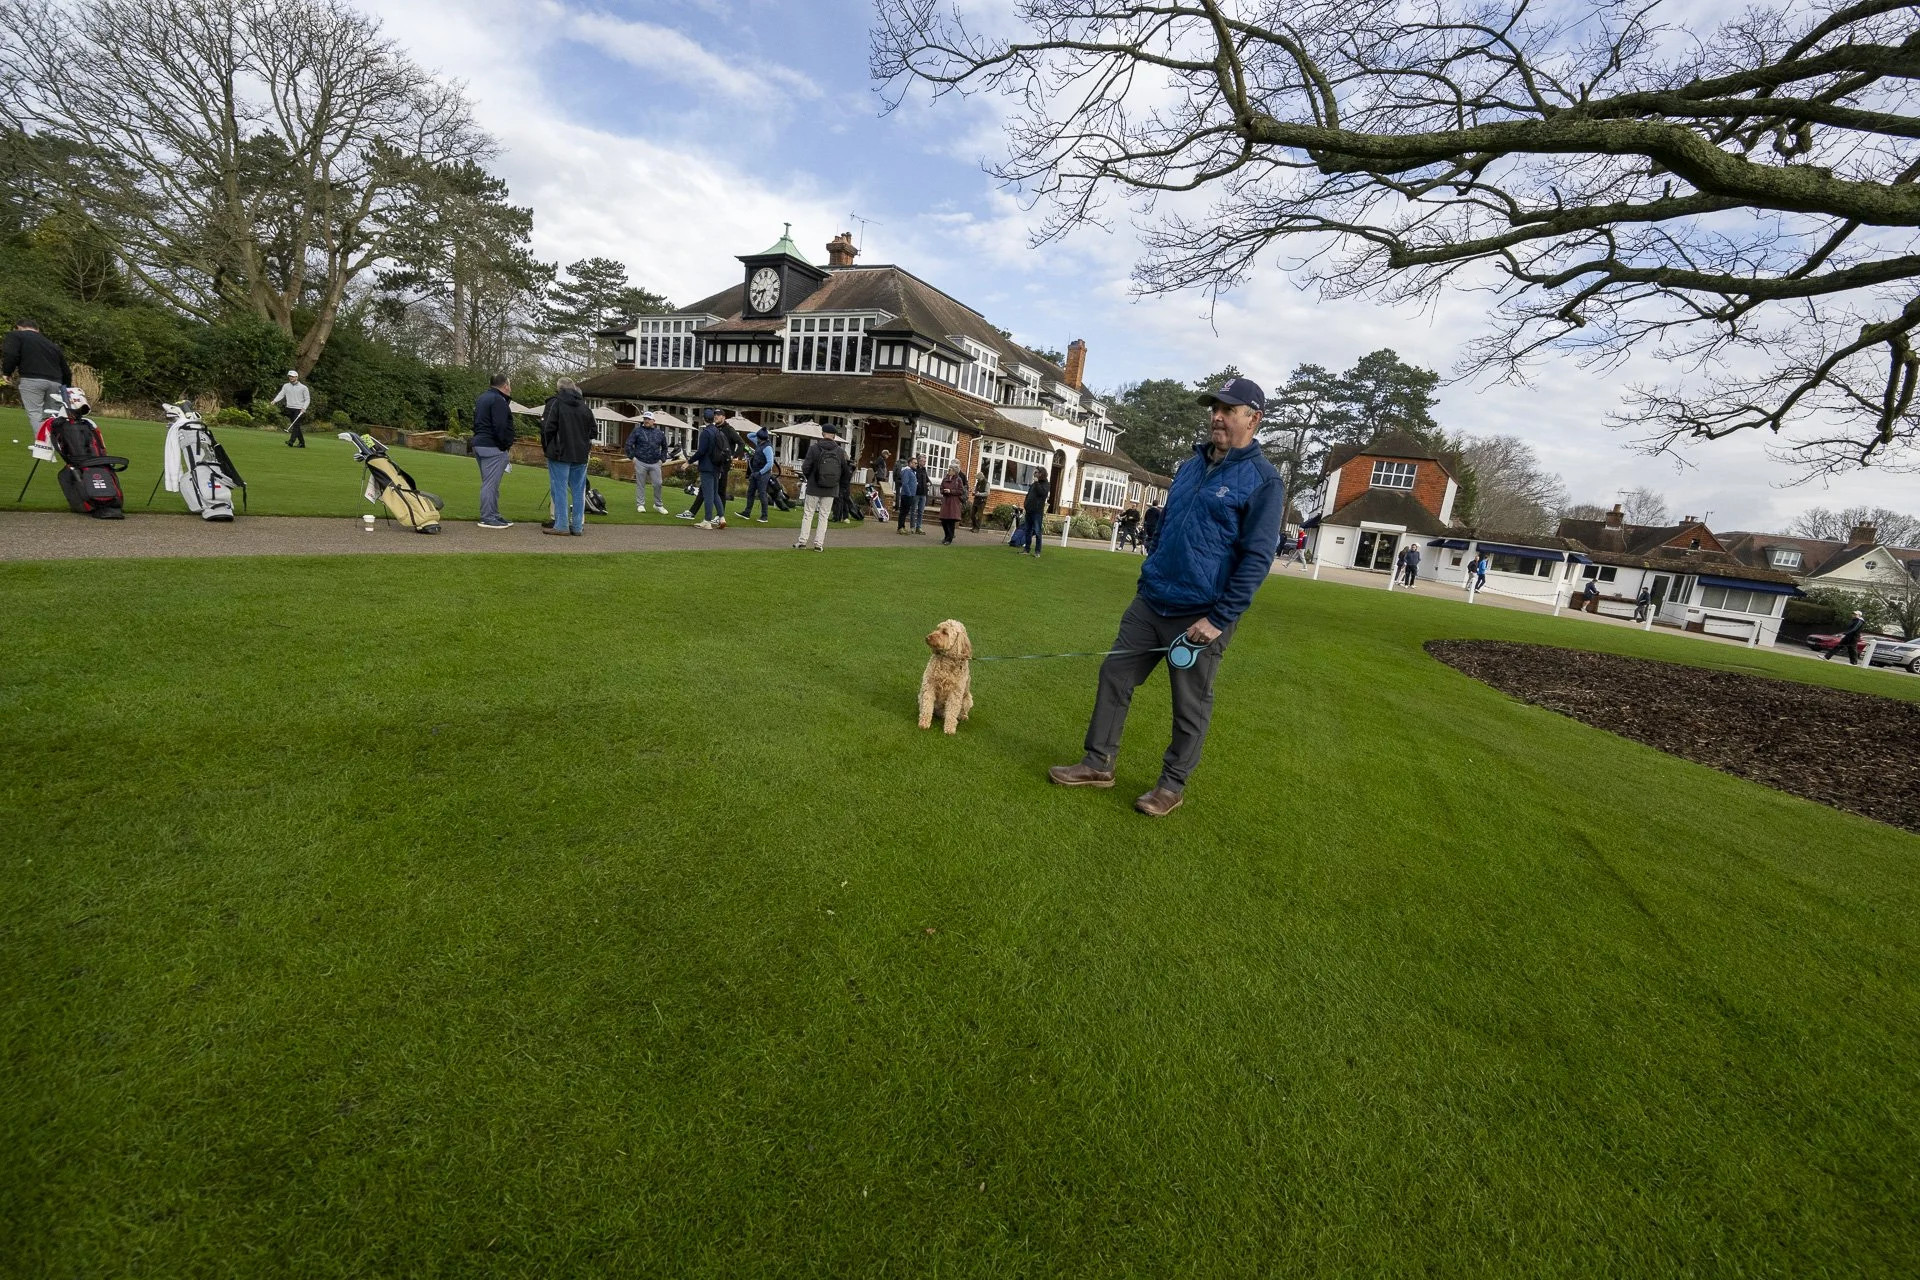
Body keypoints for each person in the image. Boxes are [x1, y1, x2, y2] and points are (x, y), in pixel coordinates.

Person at [1048, 376, 1284, 818]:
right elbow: (1169, 528)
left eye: (1228, 409)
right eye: (1214, 407)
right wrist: (1150, 571)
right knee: (1114, 675)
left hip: (1202, 614)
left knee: (1189, 705)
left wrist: (1218, 620)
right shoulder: (1190, 466)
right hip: (1152, 599)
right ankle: (1097, 764)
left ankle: (1171, 785)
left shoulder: (1263, 481)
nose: (1217, 415)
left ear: (1254, 418)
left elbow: (1256, 560)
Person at [540, 378, 595, 536]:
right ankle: (577, 526)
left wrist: (547, 448)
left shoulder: (555, 403)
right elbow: (592, 431)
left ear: (558, 389)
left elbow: (546, 428)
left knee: (559, 488)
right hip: (580, 454)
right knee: (578, 490)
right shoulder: (584, 407)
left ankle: (562, 524)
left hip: (559, 453)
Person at [3, 319, 71, 434]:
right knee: (52, 415)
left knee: (35, 413)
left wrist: (7, 372)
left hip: (32, 379)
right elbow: (66, 370)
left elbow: (11, 354)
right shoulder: (51, 344)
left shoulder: (16, 335)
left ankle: (43, 445)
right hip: (55, 382)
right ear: (37, 329)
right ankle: (57, 443)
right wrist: (66, 387)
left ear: (18, 327)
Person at [471, 373, 516, 529]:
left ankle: (494, 514)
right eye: (509, 386)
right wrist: (505, 444)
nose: (510, 389)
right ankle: (488, 517)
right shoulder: (498, 400)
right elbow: (500, 426)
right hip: (492, 446)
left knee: (490, 483)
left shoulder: (483, 398)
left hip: (480, 443)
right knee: (490, 484)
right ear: (505, 386)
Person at [795, 424, 848, 551]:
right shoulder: (840, 452)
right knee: (824, 516)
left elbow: (805, 468)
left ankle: (802, 541)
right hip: (831, 488)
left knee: (808, 514)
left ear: (822, 433)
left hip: (814, 486)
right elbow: (845, 472)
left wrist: (811, 478)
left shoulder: (814, 448)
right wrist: (839, 485)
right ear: (834, 435)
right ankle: (818, 544)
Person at [624, 411, 673, 514]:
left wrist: (662, 460)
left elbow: (665, 447)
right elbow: (628, 444)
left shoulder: (659, 433)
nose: (646, 421)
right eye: (645, 419)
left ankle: (658, 505)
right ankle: (640, 504)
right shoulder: (637, 431)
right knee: (640, 484)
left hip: (655, 462)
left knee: (658, 484)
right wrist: (632, 458)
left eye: (648, 419)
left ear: (653, 421)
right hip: (640, 461)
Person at [693, 409, 734, 529]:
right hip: (718, 466)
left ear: (704, 419)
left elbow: (701, 451)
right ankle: (721, 517)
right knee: (715, 493)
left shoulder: (706, 432)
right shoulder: (718, 432)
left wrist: (689, 461)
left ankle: (707, 520)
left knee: (708, 494)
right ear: (713, 418)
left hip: (707, 466)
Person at [738, 428, 775, 523]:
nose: (756, 439)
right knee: (750, 492)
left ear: (760, 438)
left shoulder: (767, 448)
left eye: (758, 437)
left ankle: (764, 516)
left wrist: (761, 472)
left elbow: (770, 463)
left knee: (762, 494)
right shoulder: (759, 442)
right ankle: (747, 512)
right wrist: (759, 432)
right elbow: (749, 435)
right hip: (755, 471)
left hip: (763, 473)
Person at [270, 370, 312, 447]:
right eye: (289, 376)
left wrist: (304, 408)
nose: (291, 378)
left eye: (292, 376)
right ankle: (302, 443)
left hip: (299, 409)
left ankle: (291, 441)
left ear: (296, 377)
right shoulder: (286, 386)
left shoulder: (303, 387)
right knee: (296, 426)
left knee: (295, 425)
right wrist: (275, 400)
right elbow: (281, 394)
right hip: (289, 408)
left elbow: (307, 399)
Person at [1021, 470, 1049, 557]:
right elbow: (1028, 494)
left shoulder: (1045, 484)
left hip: (1037, 512)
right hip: (1029, 510)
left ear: (1041, 474)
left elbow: (1042, 493)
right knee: (1028, 531)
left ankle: (1037, 552)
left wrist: (1037, 483)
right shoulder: (1033, 484)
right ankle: (1026, 549)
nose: (1035, 474)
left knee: (1037, 532)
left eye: (1037, 472)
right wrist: (1025, 504)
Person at [938, 463, 967, 544]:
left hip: (953, 502)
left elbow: (960, 491)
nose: (948, 471)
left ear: (954, 471)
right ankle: (946, 536)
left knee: (951, 521)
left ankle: (949, 539)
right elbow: (941, 487)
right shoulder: (945, 478)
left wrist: (951, 491)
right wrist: (943, 491)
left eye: (950, 469)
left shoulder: (958, 480)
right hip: (946, 501)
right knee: (943, 520)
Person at [895, 455, 920, 534]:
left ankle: (902, 526)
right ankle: (900, 528)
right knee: (903, 512)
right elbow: (905, 483)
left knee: (905, 512)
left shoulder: (912, 471)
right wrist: (909, 494)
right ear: (910, 463)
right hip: (906, 495)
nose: (916, 465)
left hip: (910, 495)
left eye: (916, 463)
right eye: (914, 463)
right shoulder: (907, 471)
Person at [910, 457, 930, 534]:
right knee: (913, 510)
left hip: (923, 493)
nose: (924, 462)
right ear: (919, 461)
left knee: (921, 512)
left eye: (925, 461)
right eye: (923, 461)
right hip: (916, 493)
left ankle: (918, 527)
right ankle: (912, 527)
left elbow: (927, 479)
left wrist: (928, 482)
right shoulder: (915, 469)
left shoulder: (924, 470)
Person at [972, 467, 990, 532]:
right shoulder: (978, 483)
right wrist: (974, 492)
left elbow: (987, 493)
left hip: (982, 502)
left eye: (978, 478)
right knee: (972, 514)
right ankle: (974, 526)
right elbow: (976, 489)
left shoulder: (986, 483)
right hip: (976, 500)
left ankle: (977, 528)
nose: (977, 480)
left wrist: (979, 494)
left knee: (979, 515)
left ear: (981, 478)